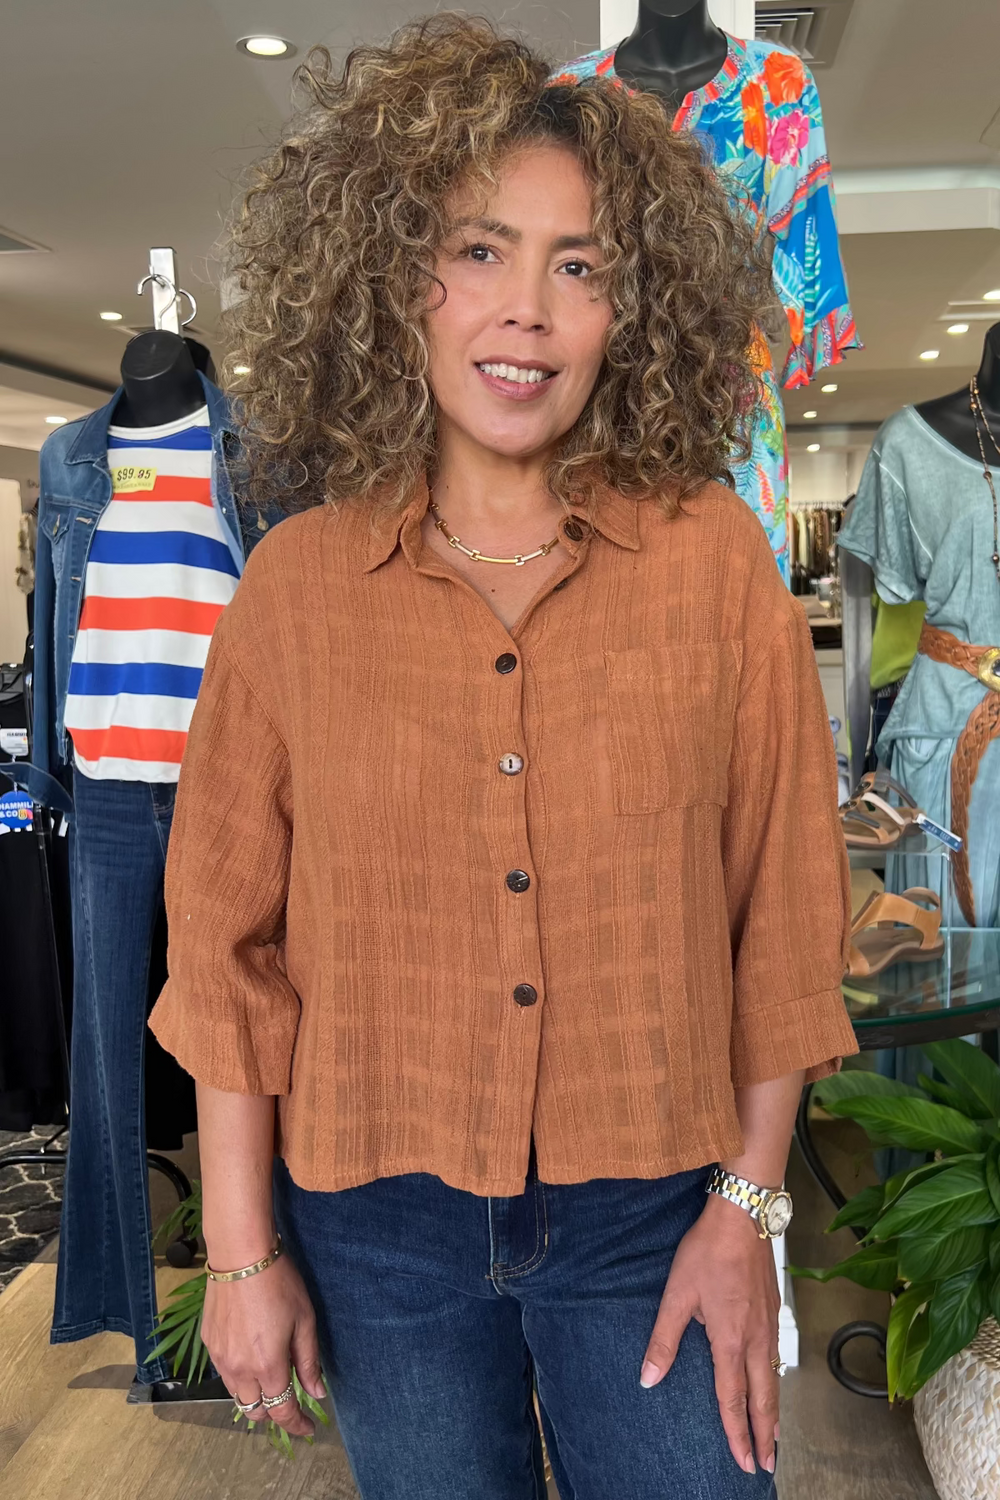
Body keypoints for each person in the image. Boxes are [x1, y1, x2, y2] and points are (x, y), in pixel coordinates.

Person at [149, 16, 857, 1497]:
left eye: (579, 265)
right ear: (397, 274)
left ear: (632, 307)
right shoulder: (294, 588)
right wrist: (239, 1251)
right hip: (376, 1228)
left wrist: (747, 1213)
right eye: (480, 250)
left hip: (655, 1213)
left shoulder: (715, 565)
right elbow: (228, 953)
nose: (525, 311)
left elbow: (783, 918)